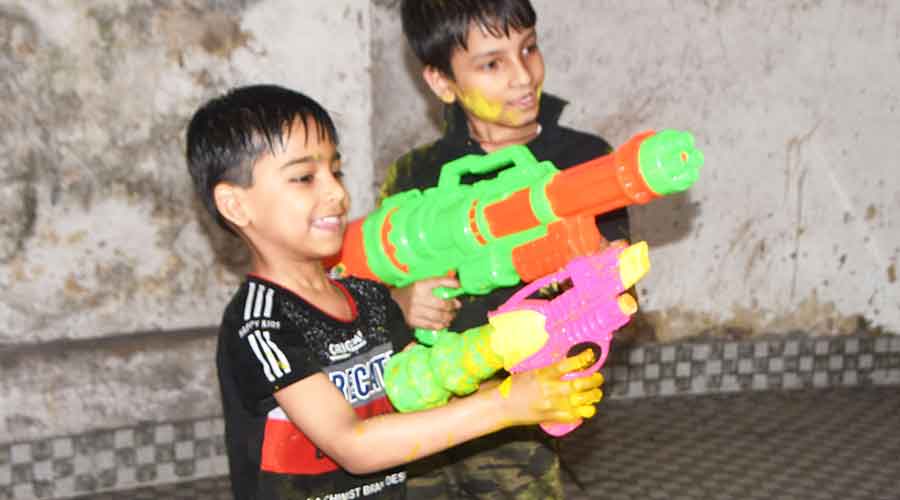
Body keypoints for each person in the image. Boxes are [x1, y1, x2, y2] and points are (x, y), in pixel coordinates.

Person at [184, 84, 605, 500]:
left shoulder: (368, 298)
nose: (337, 193)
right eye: (304, 177)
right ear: (236, 206)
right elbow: (352, 445)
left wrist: (527, 386)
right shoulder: (260, 324)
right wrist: (503, 408)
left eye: (337, 171)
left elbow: (426, 389)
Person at [380, 1, 631, 498]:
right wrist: (401, 299)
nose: (523, 76)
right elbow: (376, 284)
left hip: (524, 409)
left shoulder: (582, 164)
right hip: (430, 407)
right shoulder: (415, 176)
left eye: (529, 49)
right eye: (492, 63)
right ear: (442, 83)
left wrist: (602, 275)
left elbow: (617, 291)